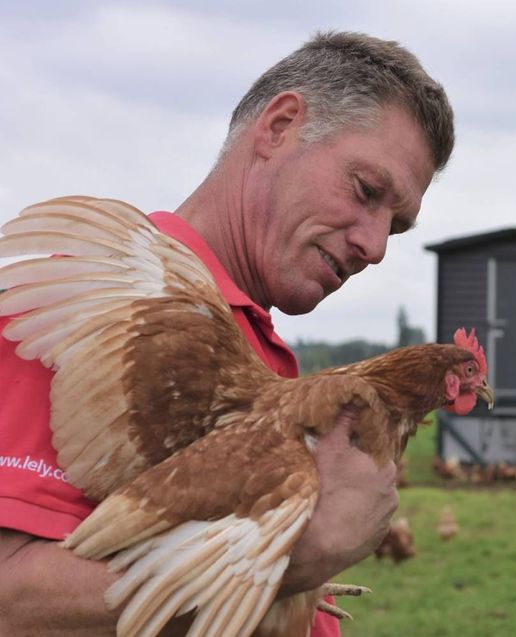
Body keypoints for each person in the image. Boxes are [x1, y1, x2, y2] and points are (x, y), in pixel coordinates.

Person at [0, 30, 455, 636]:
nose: (374, 246)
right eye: (367, 192)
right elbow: (10, 598)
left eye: (394, 228)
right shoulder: (98, 312)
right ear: (279, 126)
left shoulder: (268, 360)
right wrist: (300, 559)